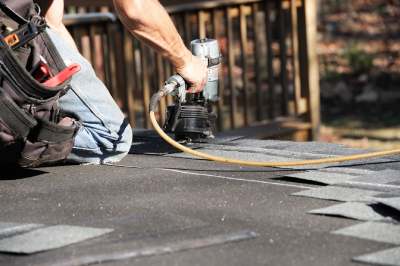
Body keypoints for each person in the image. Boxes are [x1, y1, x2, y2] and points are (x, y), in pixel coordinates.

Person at [35, 0, 208, 164]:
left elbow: (50, 21)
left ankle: (12, 124)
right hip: (18, 35)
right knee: (111, 138)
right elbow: (135, 8)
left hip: (17, 33)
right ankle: (15, 136)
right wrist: (187, 62)